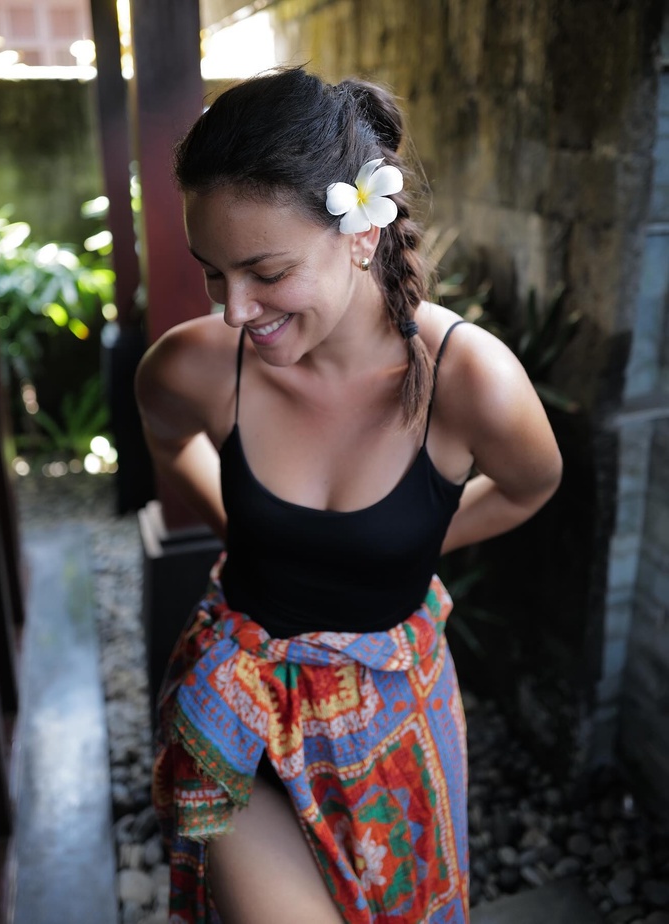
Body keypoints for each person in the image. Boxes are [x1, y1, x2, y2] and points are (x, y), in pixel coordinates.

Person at [136, 67, 562, 924]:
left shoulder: (468, 379)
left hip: (390, 726)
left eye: (264, 271)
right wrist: (246, 530)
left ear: (361, 234)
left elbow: (531, 484)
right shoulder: (196, 368)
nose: (234, 309)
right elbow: (167, 437)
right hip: (238, 708)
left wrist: (408, 551)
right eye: (213, 274)